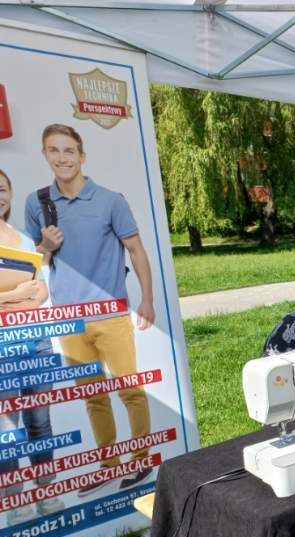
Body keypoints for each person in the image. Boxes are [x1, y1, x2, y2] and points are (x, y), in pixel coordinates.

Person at [26, 124, 156, 496]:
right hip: (69, 319)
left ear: (82, 156)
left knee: (130, 391)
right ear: (45, 155)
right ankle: (108, 464)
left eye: (69, 150)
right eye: (54, 150)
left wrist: (146, 300)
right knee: (93, 396)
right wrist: (45, 246)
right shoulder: (36, 202)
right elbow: (35, 262)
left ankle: (140, 460)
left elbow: (136, 250)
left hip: (111, 314)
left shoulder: (110, 200)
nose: (62, 158)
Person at [0, 168, 64, 525]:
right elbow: (24, 291)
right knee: (6, 430)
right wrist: (16, 294)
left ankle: (47, 490)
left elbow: (40, 289)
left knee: (40, 423)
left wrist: (27, 294)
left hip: (36, 342)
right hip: (2, 348)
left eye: (2, 188)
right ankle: (15, 500)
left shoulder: (24, 241)